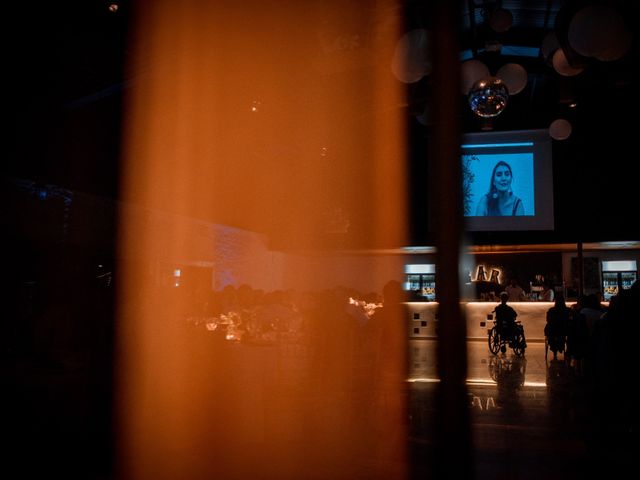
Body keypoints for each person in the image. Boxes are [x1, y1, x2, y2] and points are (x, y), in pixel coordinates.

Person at [545, 294, 569, 359]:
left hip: (552, 331)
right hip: (564, 330)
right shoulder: (567, 310)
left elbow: (548, 320)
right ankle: (564, 348)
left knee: (551, 332)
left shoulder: (551, 310)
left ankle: (554, 349)